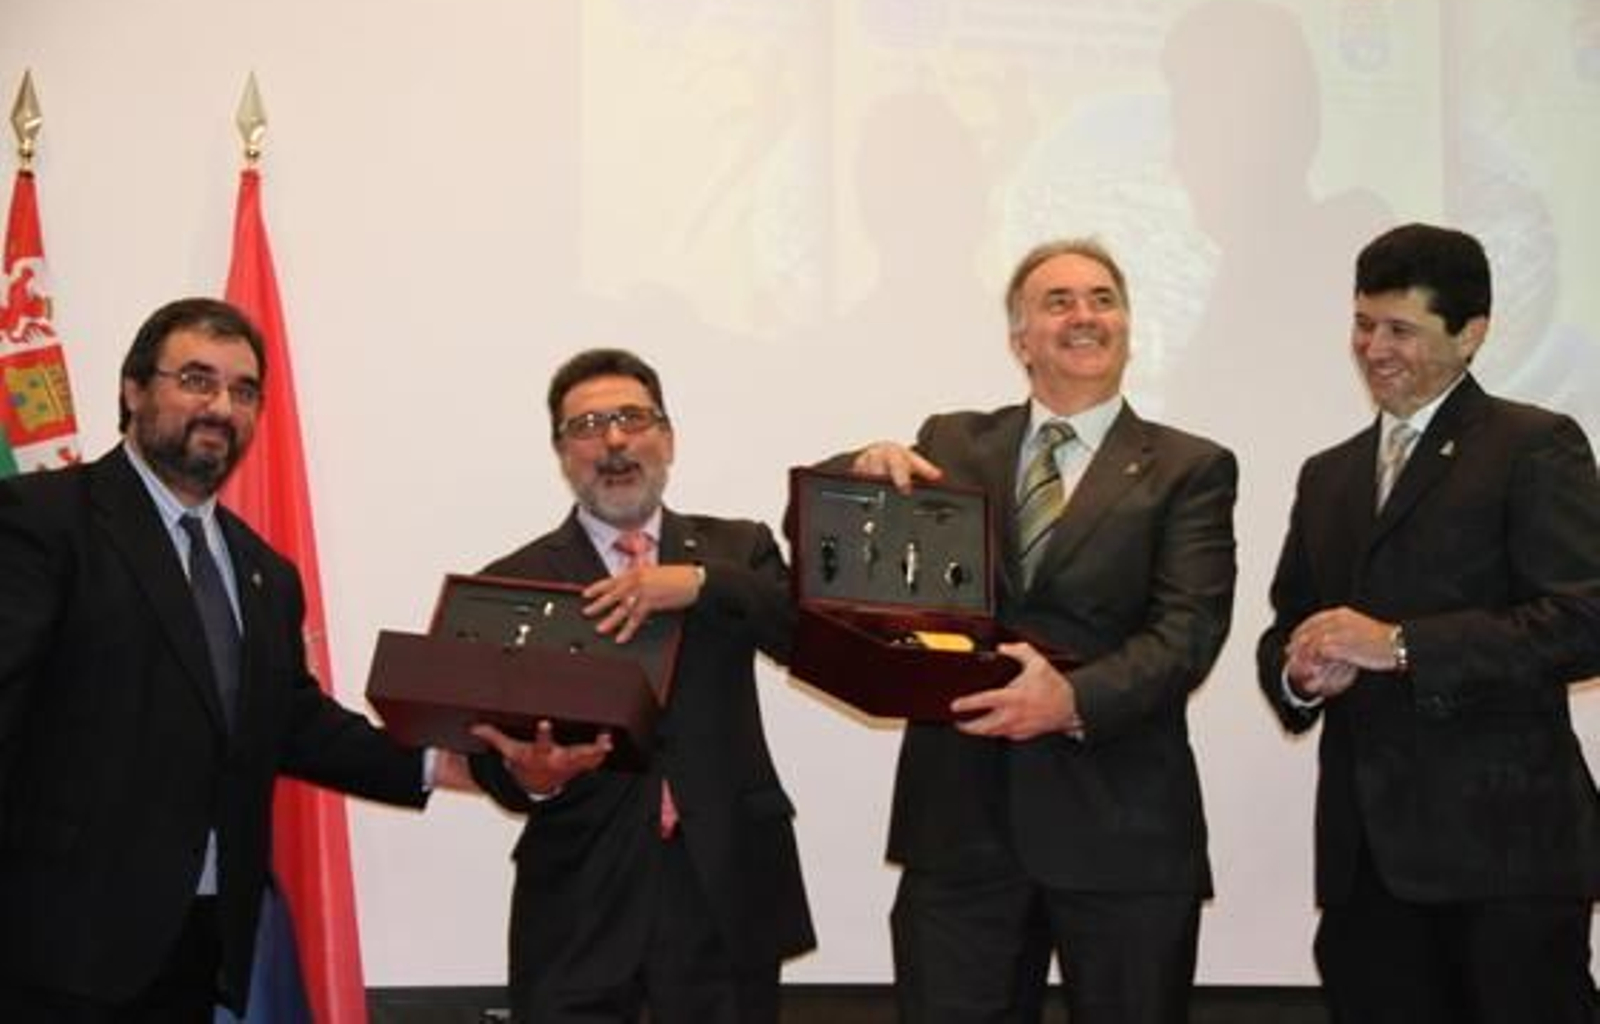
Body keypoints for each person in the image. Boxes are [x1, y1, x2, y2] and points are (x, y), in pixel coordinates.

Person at [0, 297, 464, 1020]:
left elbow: (290, 723)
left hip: (203, 941)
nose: (221, 405)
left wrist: (440, 760)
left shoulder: (263, 572)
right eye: (196, 379)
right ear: (132, 390)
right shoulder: (42, 521)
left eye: (243, 391)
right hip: (52, 951)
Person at [845, 239, 1238, 1024]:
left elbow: (1188, 630)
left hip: (1123, 829)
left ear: (1127, 328)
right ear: (1021, 339)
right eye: (1058, 302)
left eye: (1102, 299)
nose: (1084, 315)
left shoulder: (1190, 467)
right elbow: (835, 544)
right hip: (959, 831)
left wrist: (1071, 699)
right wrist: (857, 464)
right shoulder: (951, 442)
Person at [1257, 222, 1600, 1022]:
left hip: (1504, 862)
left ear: (1471, 334)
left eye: (1400, 329)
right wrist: (1298, 672)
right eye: (1363, 324)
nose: (1375, 348)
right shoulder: (1328, 474)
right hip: (1364, 873)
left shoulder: (1534, 446)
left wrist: (1401, 646)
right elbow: (1289, 622)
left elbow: (1584, 619)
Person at [466, 348, 813, 1024]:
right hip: (581, 901)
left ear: (668, 437)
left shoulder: (737, 550)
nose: (615, 440)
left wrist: (699, 583)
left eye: (632, 418)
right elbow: (491, 756)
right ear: (563, 453)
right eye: (588, 425)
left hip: (724, 884)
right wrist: (533, 777)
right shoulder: (514, 581)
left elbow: (805, 635)